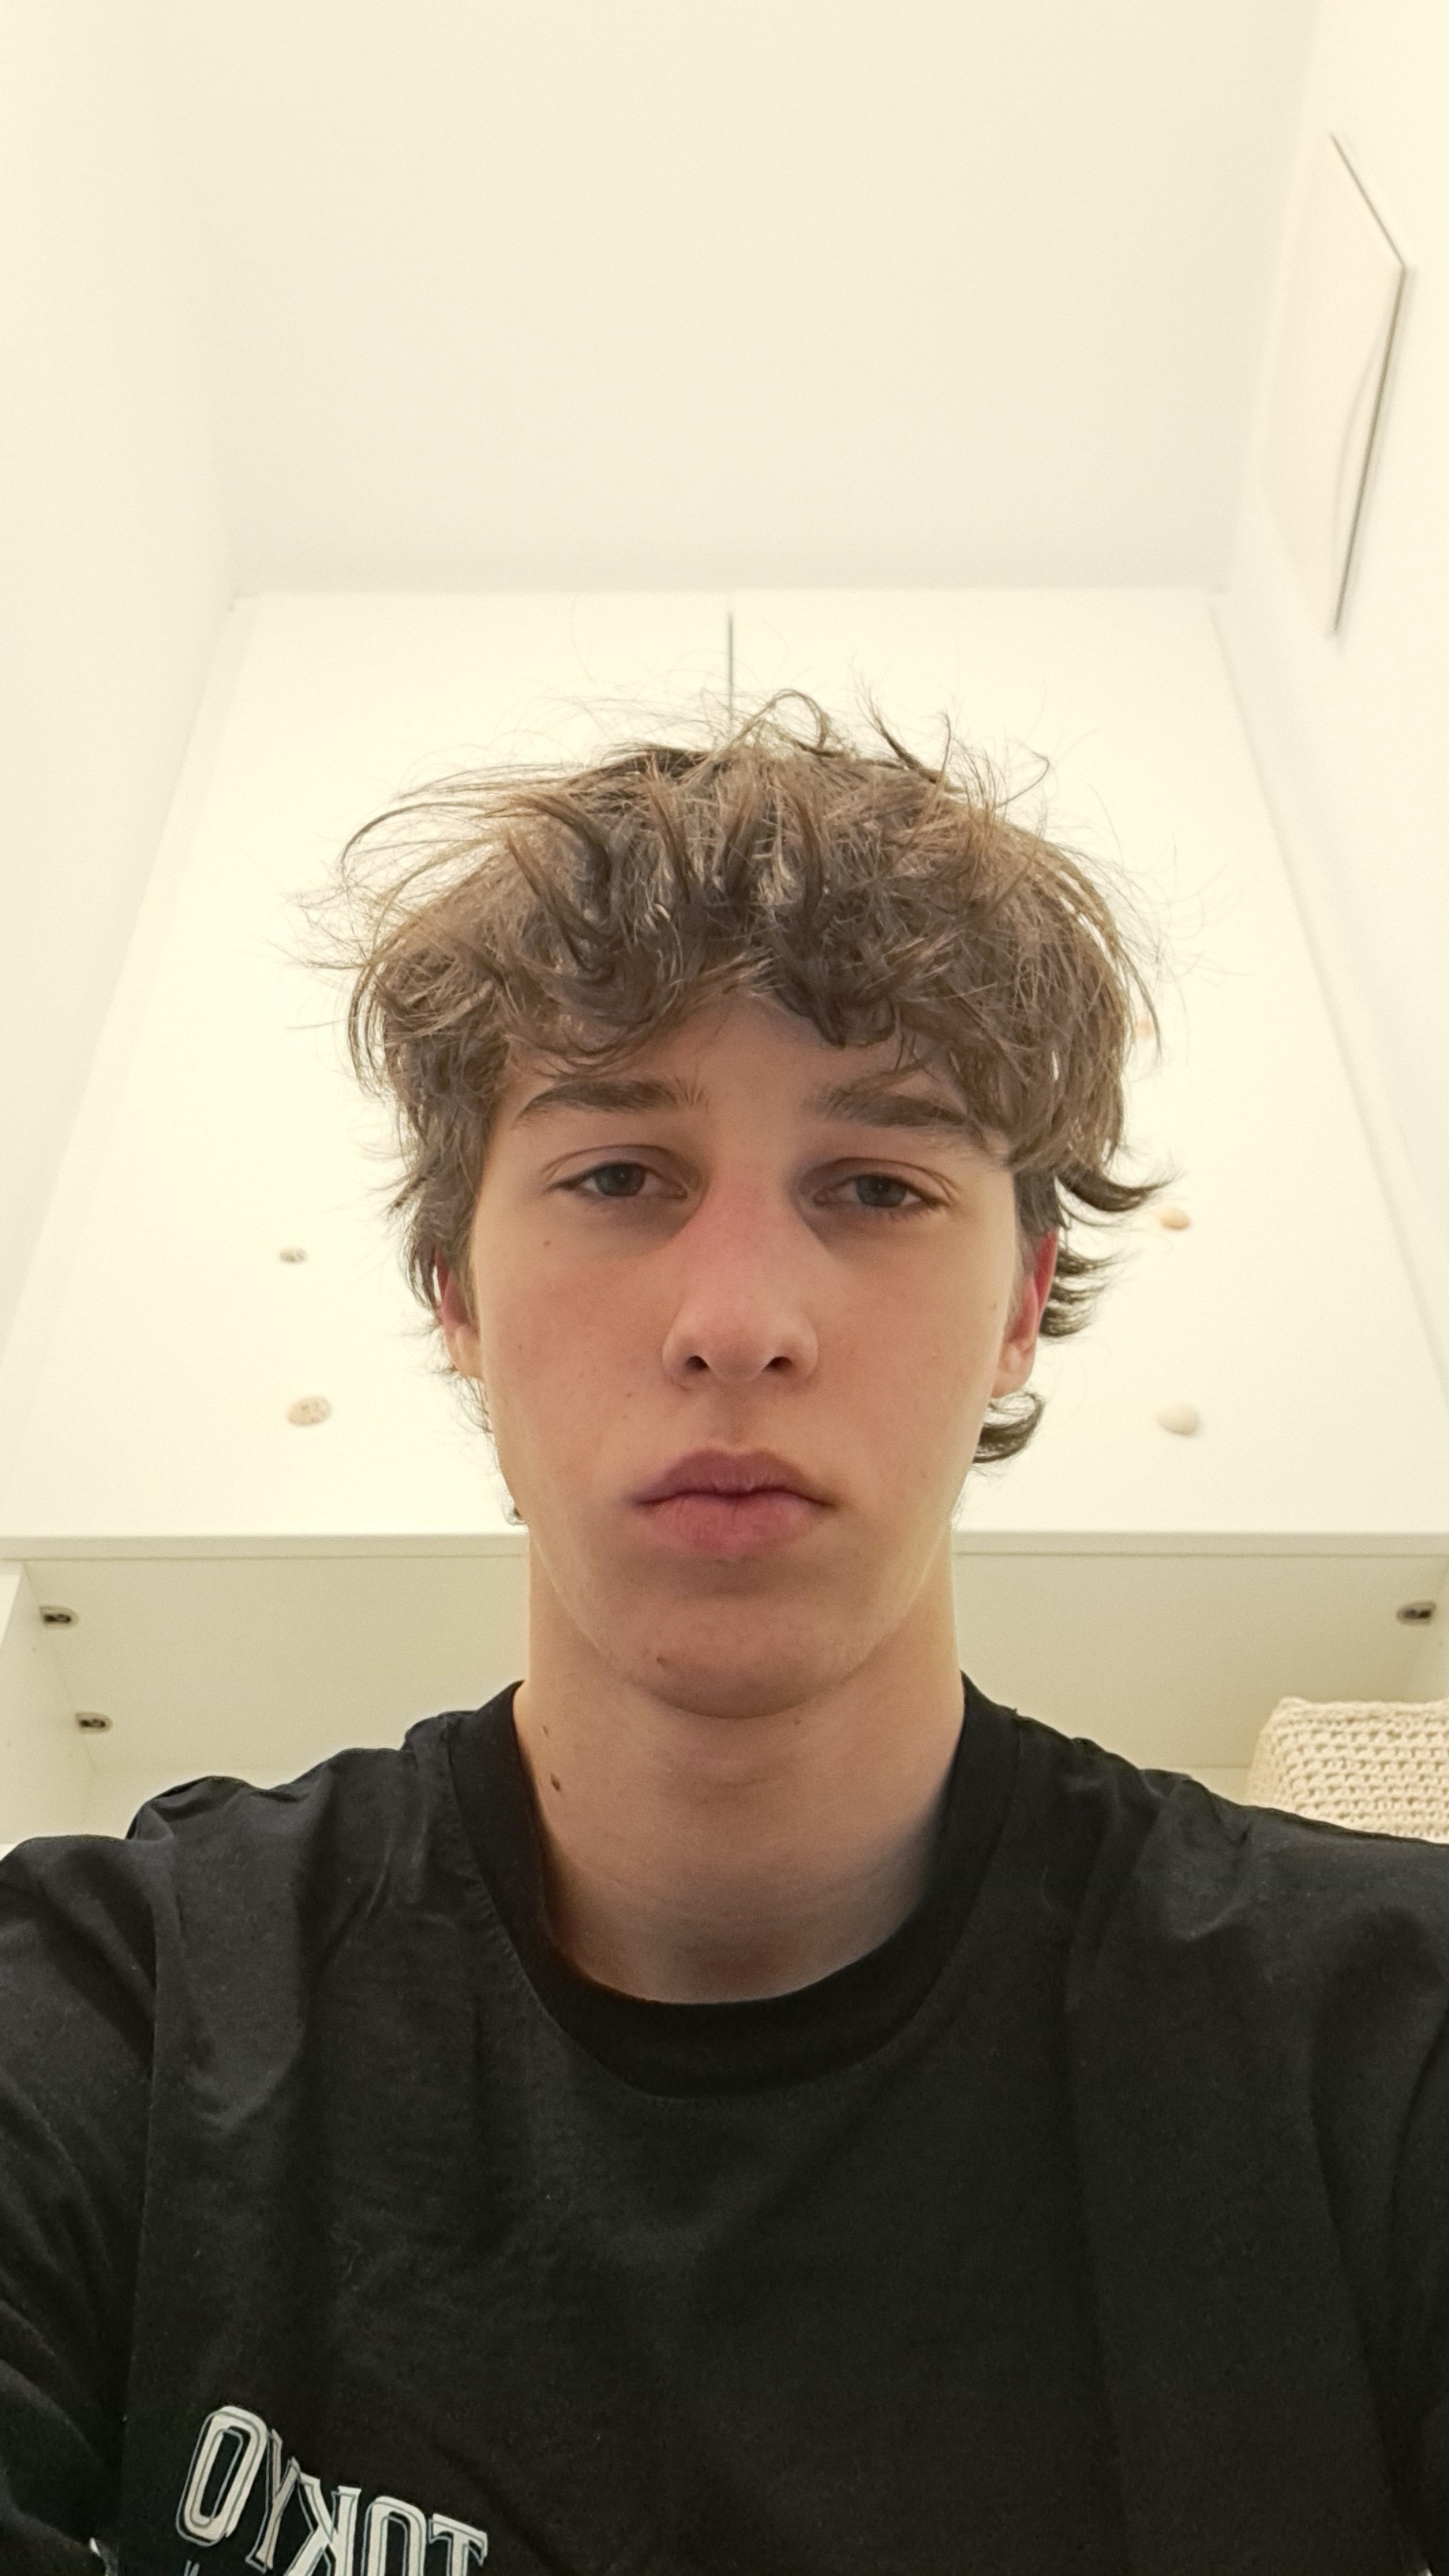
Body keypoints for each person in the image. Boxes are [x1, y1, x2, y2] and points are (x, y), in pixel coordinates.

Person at [2, 699, 1448, 2576]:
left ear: (1020, 1306)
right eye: (619, 1176)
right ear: (454, 1293)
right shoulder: (111, 2013)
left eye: (878, 1186)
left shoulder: (1381, 2041)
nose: (741, 1320)